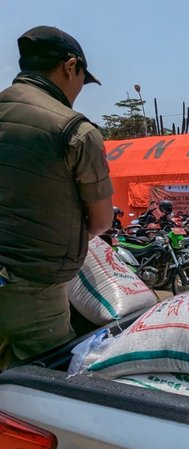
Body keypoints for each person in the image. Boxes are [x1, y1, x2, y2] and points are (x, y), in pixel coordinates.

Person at [0, 26, 113, 369]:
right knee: (51, 385)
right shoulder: (75, 131)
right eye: (82, 78)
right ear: (70, 66)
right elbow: (102, 221)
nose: (79, 88)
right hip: (33, 292)